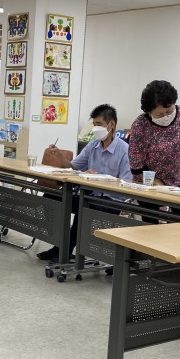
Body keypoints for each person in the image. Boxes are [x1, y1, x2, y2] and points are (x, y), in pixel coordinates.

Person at [36, 104, 132, 261]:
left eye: (99, 124)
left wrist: (99, 177)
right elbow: (73, 167)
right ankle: (59, 245)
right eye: (94, 124)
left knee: (84, 206)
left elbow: (126, 183)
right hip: (90, 195)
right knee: (51, 198)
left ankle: (64, 250)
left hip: (112, 200)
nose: (95, 129)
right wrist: (59, 156)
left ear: (111, 125)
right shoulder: (93, 145)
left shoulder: (125, 150)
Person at [128, 80, 180, 223]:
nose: (165, 116)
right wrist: (154, 182)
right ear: (149, 111)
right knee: (151, 219)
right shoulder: (140, 124)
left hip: (174, 179)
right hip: (148, 182)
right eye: (159, 114)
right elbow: (135, 159)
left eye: (168, 111)